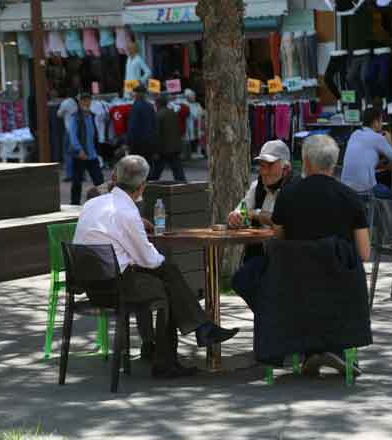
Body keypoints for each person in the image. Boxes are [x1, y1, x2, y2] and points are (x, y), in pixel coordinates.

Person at [73, 155, 239, 378]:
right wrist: (160, 263)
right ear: (142, 187)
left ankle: (195, 334)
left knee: (167, 275)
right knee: (166, 284)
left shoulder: (93, 204)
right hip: (116, 289)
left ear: (116, 178)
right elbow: (148, 259)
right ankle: (174, 355)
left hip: (91, 286)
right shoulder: (128, 212)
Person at [271, 134, 370, 375]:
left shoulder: (287, 195)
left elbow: (278, 240)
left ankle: (310, 352)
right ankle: (338, 350)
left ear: (305, 162)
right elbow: (364, 252)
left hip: (297, 282)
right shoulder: (351, 198)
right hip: (339, 282)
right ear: (334, 164)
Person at [228, 140, 295, 308]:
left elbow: (283, 221)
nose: (264, 171)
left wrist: (257, 215)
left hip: (288, 256)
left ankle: (270, 318)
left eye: (269, 166)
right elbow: (242, 210)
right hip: (261, 254)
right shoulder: (257, 186)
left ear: (285, 169)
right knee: (241, 280)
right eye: (261, 165)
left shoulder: (294, 189)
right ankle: (269, 317)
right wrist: (235, 217)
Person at [68, 93, 105, 205]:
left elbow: (95, 134)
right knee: (77, 181)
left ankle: (104, 202)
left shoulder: (92, 116)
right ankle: (74, 204)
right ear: (79, 103)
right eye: (83, 101)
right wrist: (79, 149)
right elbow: (72, 135)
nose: (86, 103)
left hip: (92, 154)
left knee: (99, 180)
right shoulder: (76, 117)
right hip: (80, 154)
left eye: (88, 100)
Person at [149, 95, 187, 182]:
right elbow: (179, 129)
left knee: (156, 172)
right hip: (174, 146)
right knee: (178, 171)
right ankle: (183, 186)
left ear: (157, 104)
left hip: (163, 148)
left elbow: (156, 134)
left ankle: (150, 187)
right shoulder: (173, 113)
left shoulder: (158, 115)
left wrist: (155, 150)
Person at [126, 85, 157, 168]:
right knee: (147, 164)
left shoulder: (135, 106)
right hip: (149, 141)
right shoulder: (150, 106)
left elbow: (132, 126)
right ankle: (148, 180)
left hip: (137, 142)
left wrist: (128, 142)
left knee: (137, 166)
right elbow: (154, 124)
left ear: (136, 94)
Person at [57, 88, 80, 182]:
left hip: (69, 130)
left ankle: (70, 174)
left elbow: (59, 114)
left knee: (67, 153)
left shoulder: (66, 103)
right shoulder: (79, 102)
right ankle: (80, 174)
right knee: (78, 152)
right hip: (79, 131)